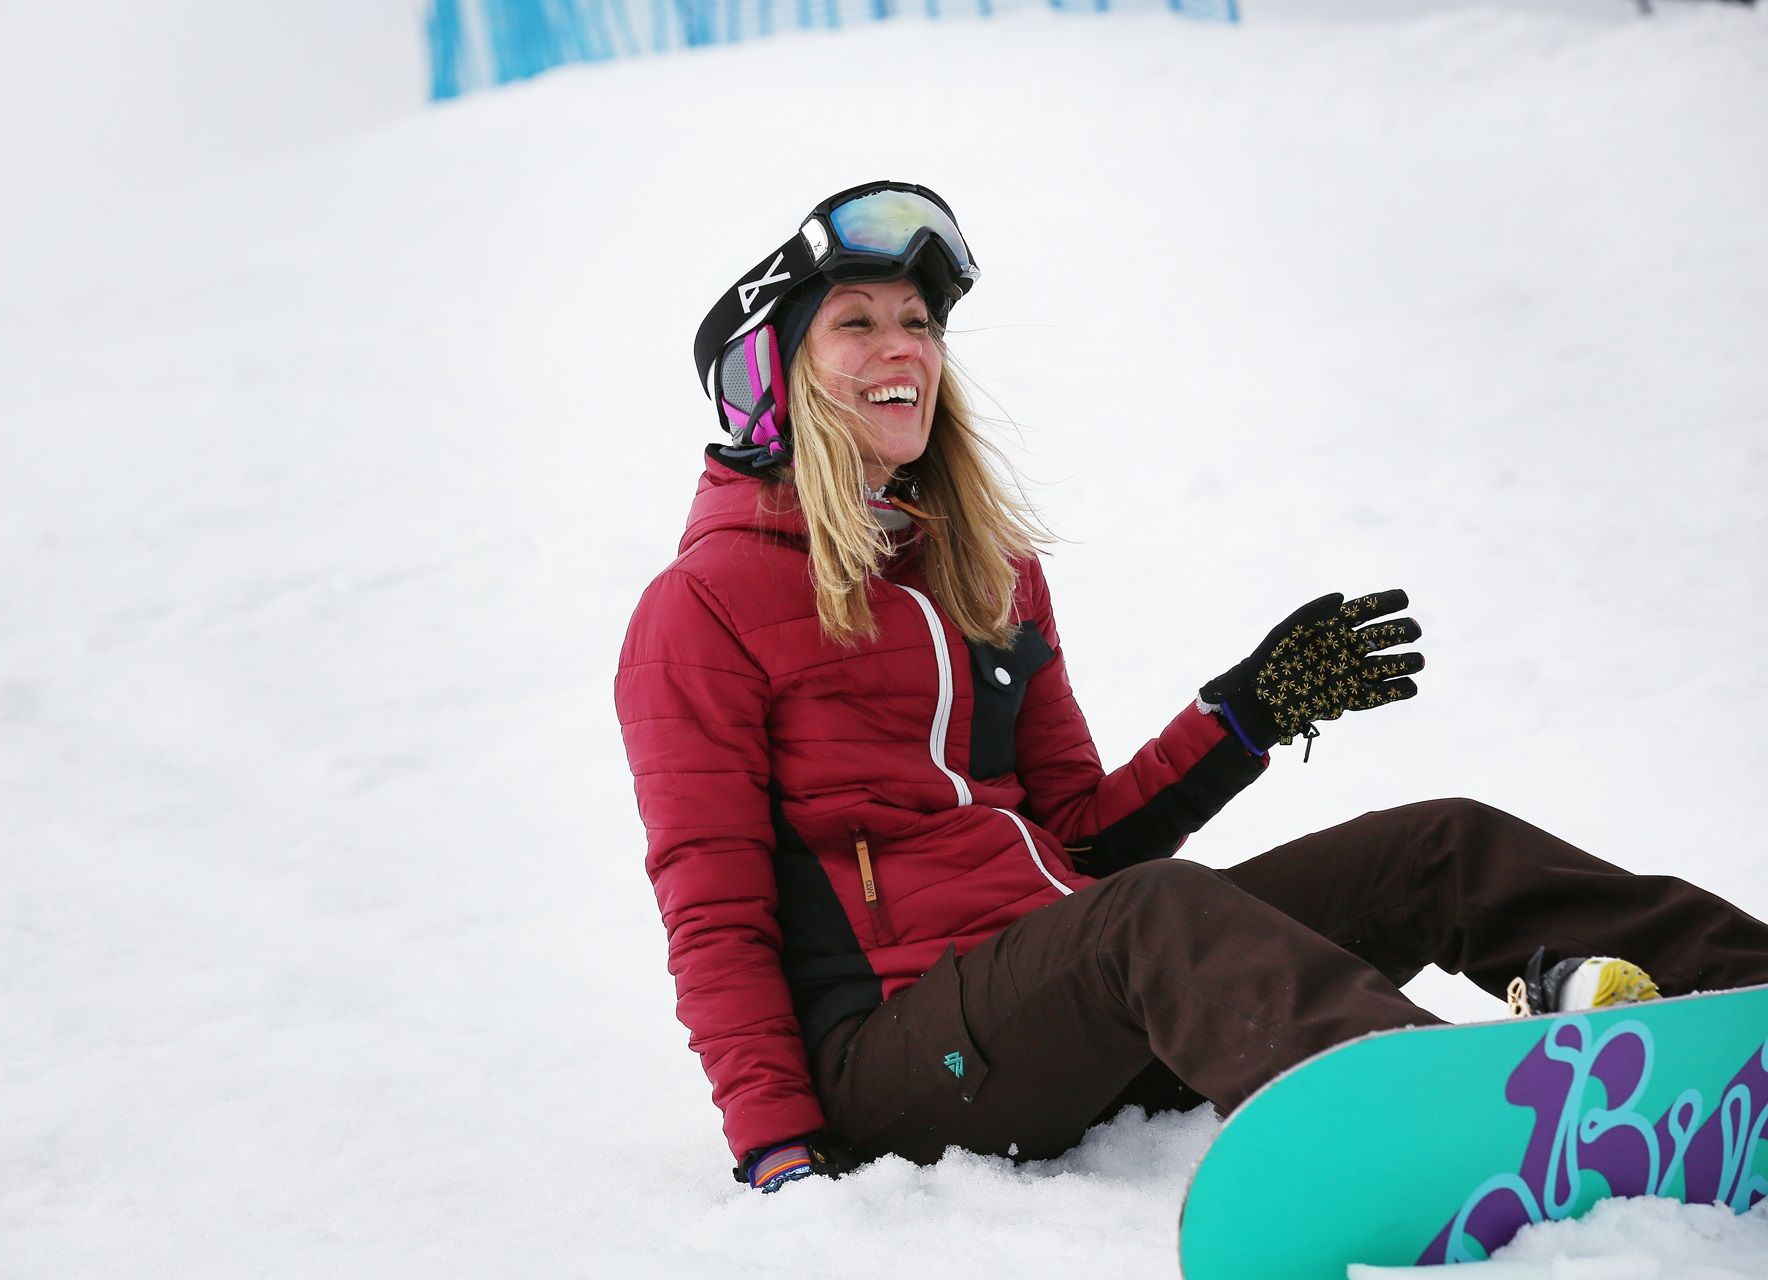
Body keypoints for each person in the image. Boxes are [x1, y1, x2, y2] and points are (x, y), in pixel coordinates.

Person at [613, 180, 1768, 1195]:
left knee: (1436, 847)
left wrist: (1244, 713)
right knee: (1152, 913)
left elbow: (1079, 835)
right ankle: (1470, 1126)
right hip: (897, 1063)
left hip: (1069, 998)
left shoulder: (986, 567)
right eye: (854, 324)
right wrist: (779, 1149)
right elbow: (712, 908)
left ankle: (1748, 999)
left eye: (918, 322)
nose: (902, 347)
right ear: (769, 378)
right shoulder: (703, 606)